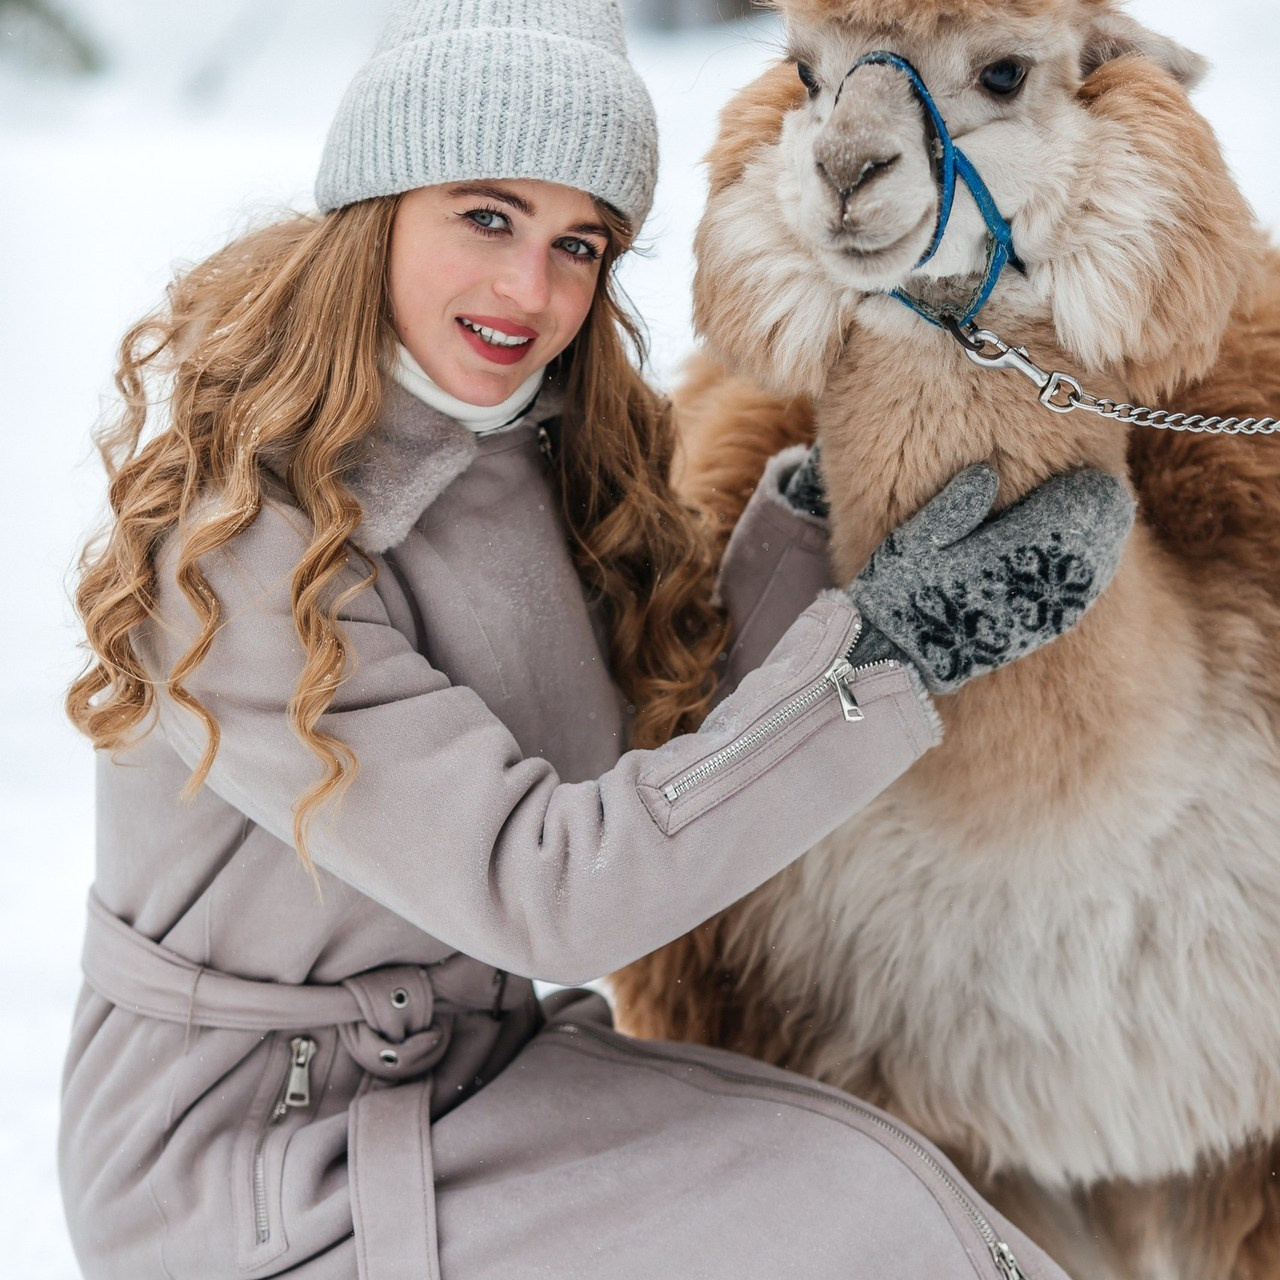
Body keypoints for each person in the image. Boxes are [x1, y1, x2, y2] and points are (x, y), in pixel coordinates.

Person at [58, 2, 1133, 1276]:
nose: (532, 288)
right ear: (377, 204)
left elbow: (672, 775)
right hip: (243, 1155)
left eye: (580, 243)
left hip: (475, 1075)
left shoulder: (532, 448)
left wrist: (819, 526)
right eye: (486, 214)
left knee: (897, 1193)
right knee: (860, 1222)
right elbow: (552, 884)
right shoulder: (235, 539)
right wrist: (879, 658)